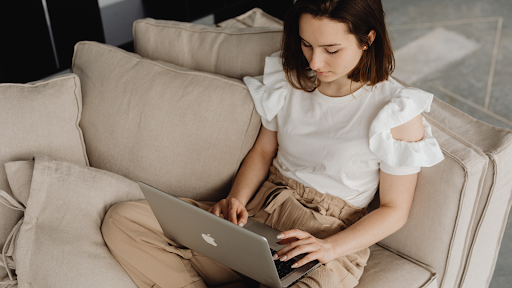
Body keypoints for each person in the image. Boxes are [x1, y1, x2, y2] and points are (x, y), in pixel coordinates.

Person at [101, 0, 445, 287]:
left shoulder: (395, 111)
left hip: (324, 236)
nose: (314, 62)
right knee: (124, 220)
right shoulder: (291, 83)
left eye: (331, 49)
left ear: (368, 39)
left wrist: (327, 248)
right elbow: (264, 152)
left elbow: (394, 210)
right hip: (261, 211)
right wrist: (236, 199)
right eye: (306, 44)